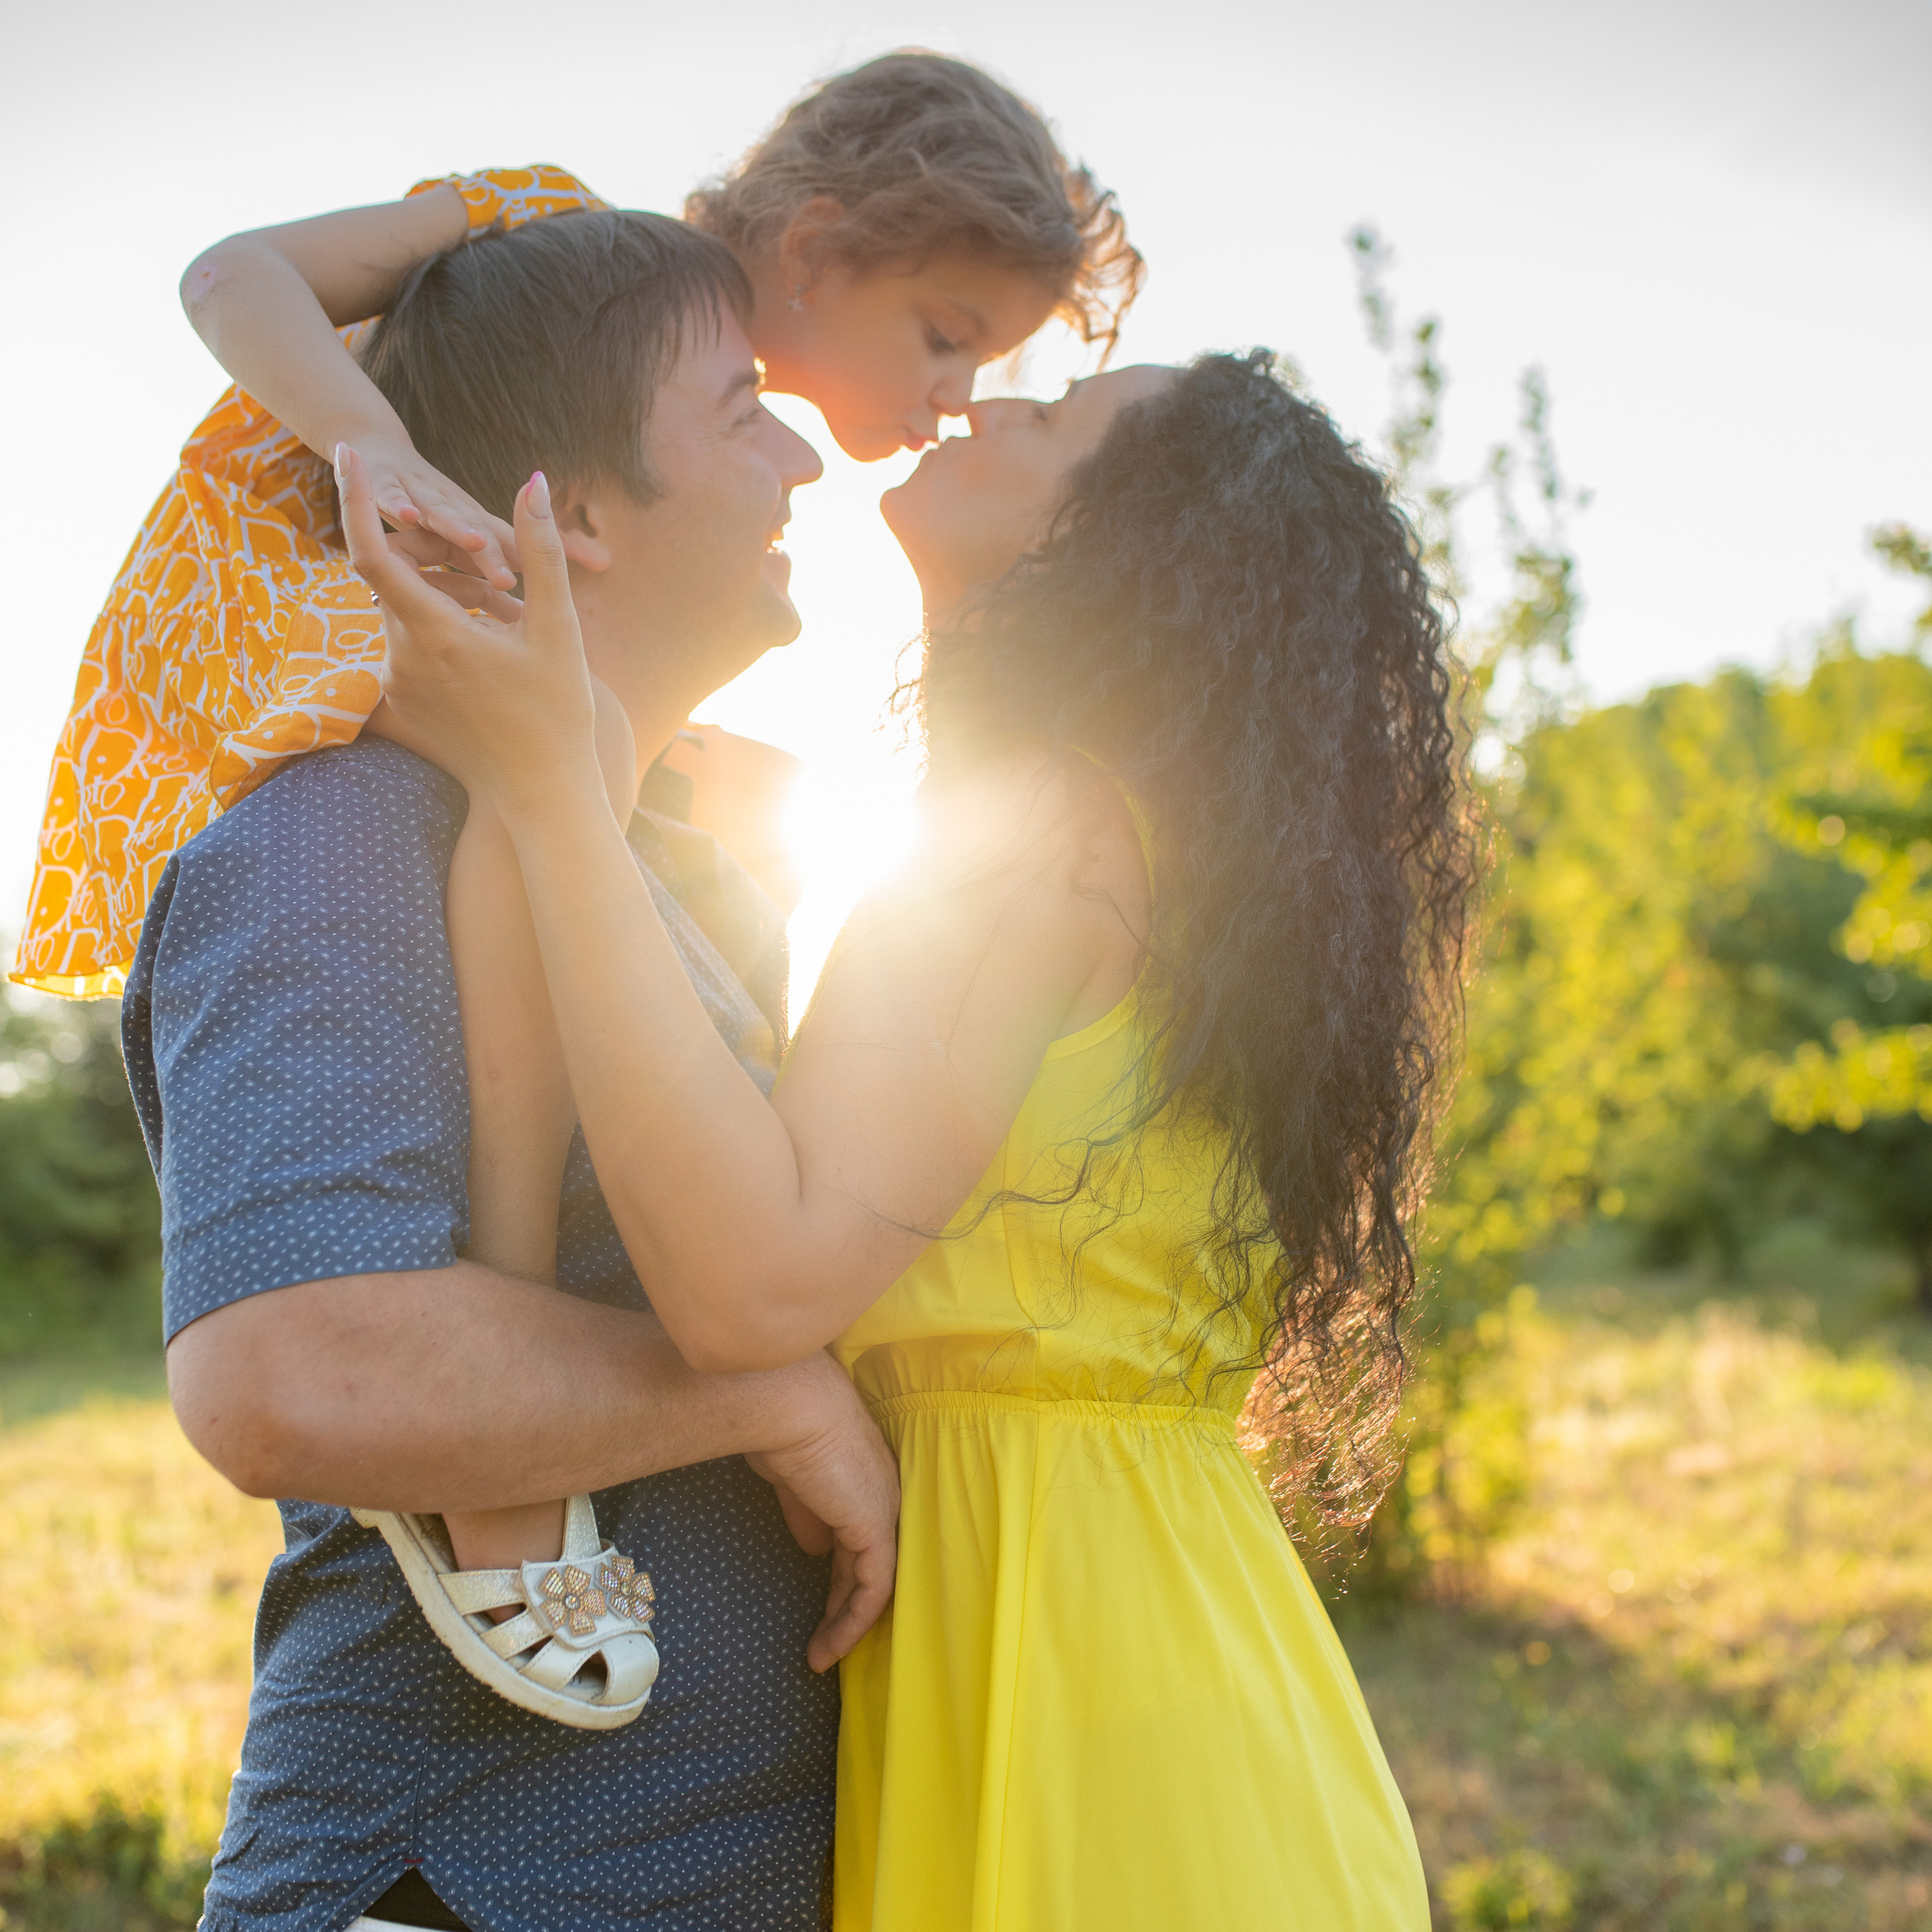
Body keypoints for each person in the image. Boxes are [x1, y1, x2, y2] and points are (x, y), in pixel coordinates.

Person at [14, 52, 1142, 1709]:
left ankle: (514, 1296)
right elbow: (232, 275)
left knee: (596, 781)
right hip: (351, 570)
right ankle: (498, 1421)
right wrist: (367, 446)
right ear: (818, 247)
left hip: (459, 579)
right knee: (570, 769)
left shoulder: (651, 360)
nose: (952, 398)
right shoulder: (556, 247)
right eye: (946, 335)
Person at [355, 349, 1478, 1926]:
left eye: (1063, 416)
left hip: (1081, 1701)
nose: (993, 401)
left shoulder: (1037, 833)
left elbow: (752, 1285)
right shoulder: (1135, 858)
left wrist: (550, 780)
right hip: (1157, 1649)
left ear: (1124, 540)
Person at [119, 209, 894, 1932]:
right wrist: (759, 1394)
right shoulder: (338, 836)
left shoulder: (679, 886)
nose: (802, 461)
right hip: (466, 1880)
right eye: (742, 404)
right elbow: (291, 1366)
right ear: (579, 512)